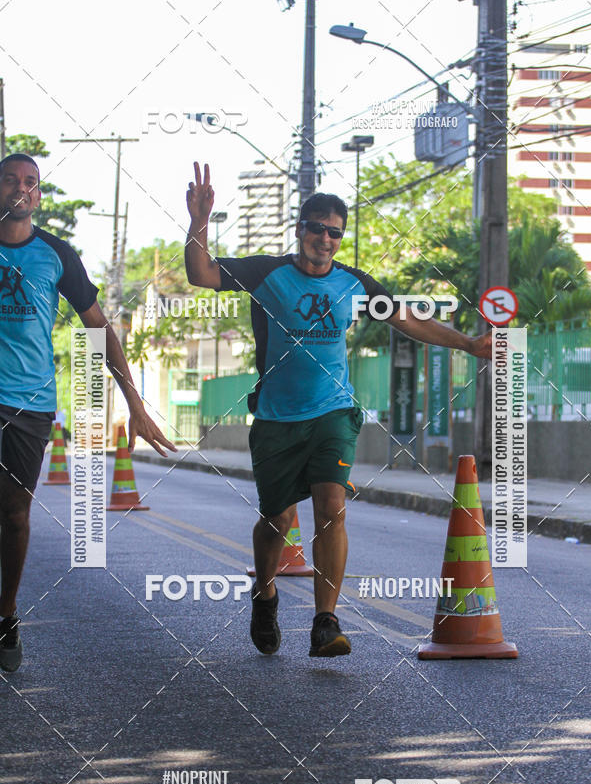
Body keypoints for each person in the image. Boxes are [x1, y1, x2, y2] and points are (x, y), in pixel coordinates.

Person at [185, 161, 492, 659]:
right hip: (277, 418)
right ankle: (265, 595)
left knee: (332, 504)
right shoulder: (268, 274)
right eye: (316, 229)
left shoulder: (353, 283)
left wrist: (466, 344)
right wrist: (199, 220)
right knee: (276, 521)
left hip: (334, 411)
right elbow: (201, 273)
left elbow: (408, 319)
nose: (325, 240)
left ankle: (325, 621)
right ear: (300, 230)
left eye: (334, 233)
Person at [0, 153, 176, 673]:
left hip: (29, 404)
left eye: (30, 182)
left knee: (12, 515)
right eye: (10, 179)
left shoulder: (55, 255)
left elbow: (99, 329)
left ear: (38, 196)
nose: (20, 188)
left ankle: (6, 611)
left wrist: (134, 402)